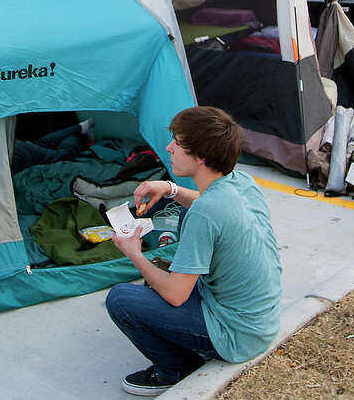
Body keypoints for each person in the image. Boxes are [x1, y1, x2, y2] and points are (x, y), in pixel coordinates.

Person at [106, 106, 282, 396]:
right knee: (160, 271)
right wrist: (170, 189)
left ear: (200, 157)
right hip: (260, 320)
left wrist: (134, 253)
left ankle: (174, 369)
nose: (169, 148)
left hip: (236, 336)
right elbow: (206, 201)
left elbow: (176, 294)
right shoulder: (241, 182)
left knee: (122, 299)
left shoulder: (205, 213)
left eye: (178, 143)